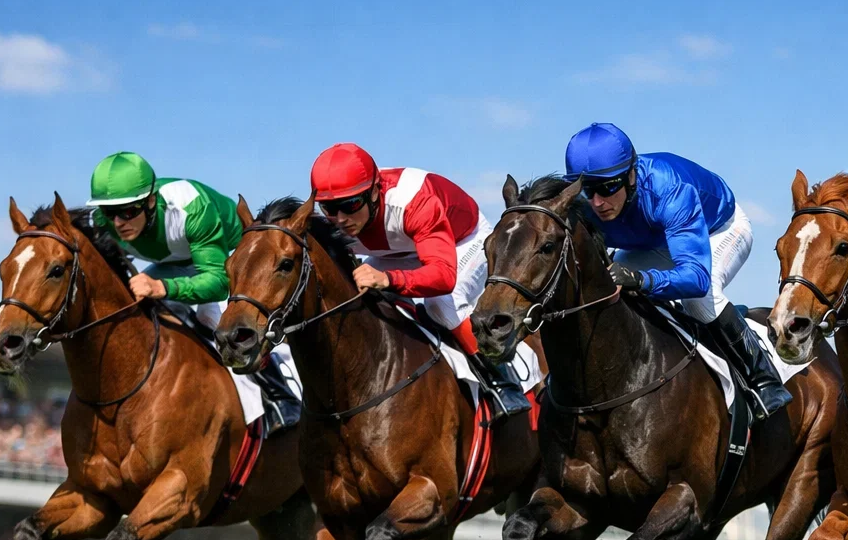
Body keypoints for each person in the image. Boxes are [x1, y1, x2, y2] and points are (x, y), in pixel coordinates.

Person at [562, 122, 791, 422]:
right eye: (588, 190)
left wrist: (643, 280)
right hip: (654, 240)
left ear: (631, 174)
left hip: (717, 229)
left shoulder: (669, 189)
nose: (597, 202)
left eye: (608, 187)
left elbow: (694, 278)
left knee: (699, 300)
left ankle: (762, 377)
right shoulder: (586, 202)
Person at [308, 142, 529, 418]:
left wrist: (389, 279)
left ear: (375, 191)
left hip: (463, 240)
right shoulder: (335, 221)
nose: (340, 219)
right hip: (400, 250)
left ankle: (502, 380)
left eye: (351, 204)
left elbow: (443, 277)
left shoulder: (414, 203)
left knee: (440, 304)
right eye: (329, 208)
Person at [86, 151, 297, 422]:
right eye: (110, 213)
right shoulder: (103, 223)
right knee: (131, 307)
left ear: (150, 201)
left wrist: (163, 288)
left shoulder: (191, 207)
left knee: (211, 319)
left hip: (226, 259)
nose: (118, 223)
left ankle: (280, 395)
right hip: (175, 261)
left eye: (128, 212)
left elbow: (219, 283)